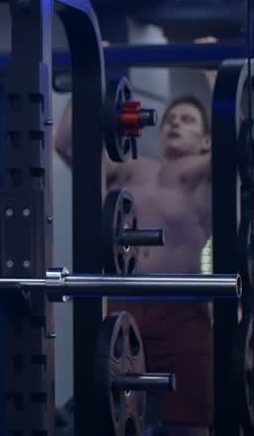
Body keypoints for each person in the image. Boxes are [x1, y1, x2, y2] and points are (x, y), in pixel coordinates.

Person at [55, 92, 213, 435]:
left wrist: (217, 79)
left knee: (190, 425)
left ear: (206, 140)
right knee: (107, 419)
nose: (175, 123)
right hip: (122, 302)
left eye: (188, 120)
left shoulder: (206, 174)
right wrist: (88, 78)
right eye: (172, 117)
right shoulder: (133, 169)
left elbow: (240, 147)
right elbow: (67, 143)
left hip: (182, 310)